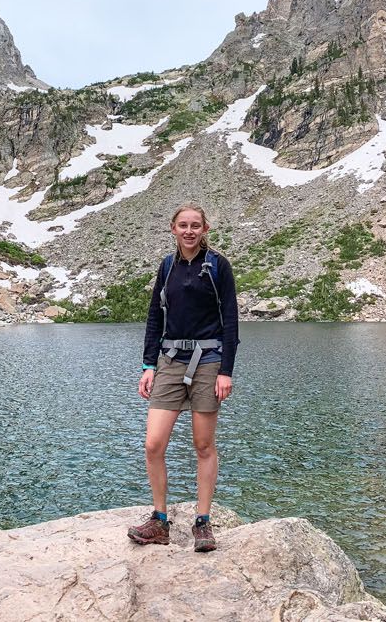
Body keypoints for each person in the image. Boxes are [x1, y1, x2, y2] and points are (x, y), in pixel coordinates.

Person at [127, 203, 239, 552]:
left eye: (196, 226)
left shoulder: (218, 266)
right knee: (153, 443)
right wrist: (148, 365)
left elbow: (232, 320)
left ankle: (202, 522)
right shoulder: (167, 266)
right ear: (173, 228)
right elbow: (153, 318)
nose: (189, 231)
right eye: (183, 225)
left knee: (203, 445)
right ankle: (159, 521)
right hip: (170, 361)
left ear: (205, 229)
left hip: (208, 360)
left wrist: (226, 371)